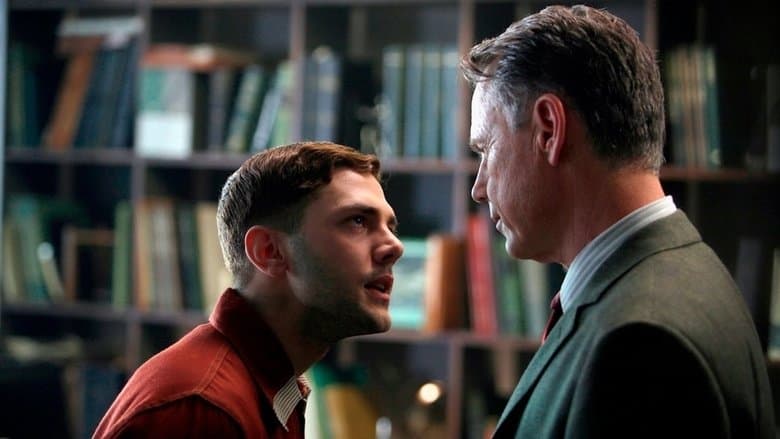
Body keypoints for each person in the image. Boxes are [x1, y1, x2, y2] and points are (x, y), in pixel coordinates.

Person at [462, 5, 774, 438]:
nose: (478, 188)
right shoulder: (685, 271)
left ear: (549, 130)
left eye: (486, 149)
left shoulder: (638, 344)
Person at [93, 142, 404, 438]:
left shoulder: (268, 387)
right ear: (269, 252)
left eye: (390, 227)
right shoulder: (204, 408)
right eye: (358, 221)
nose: (395, 246)